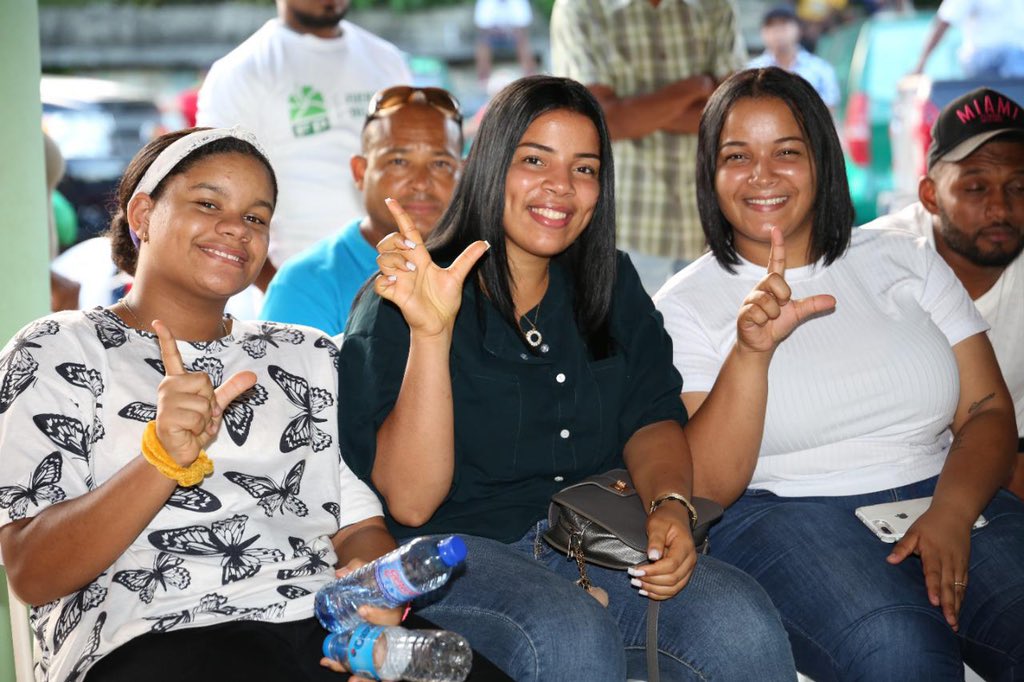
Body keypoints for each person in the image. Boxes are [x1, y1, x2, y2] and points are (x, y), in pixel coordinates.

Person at [338, 74, 807, 682]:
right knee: (571, 635)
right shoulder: (406, 296)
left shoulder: (608, 281)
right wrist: (432, 333)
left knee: (739, 622)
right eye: (535, 160)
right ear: (489, 165)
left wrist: (670, 506)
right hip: (456, 558)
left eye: (584, 169)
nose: (561, 186)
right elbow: (411, 501)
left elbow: (651, 416)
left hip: (593, 538)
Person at [0, 127, 505, 682]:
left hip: (321, 628)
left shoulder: (307, 354)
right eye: (208, 203)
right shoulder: (58, 349)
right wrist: (160, 461)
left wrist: (375, 595)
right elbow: (32, 574)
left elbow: (356, 527)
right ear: (143, 215)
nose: (236, 228)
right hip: (152, 634)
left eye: (256, 217)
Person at [654, 67, 1024, 680]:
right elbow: (708, 487)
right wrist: (751, 354)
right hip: (786, 511)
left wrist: (953, 511)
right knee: (903, 654)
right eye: (737, 156)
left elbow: (987, 409)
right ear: (709, 174)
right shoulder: (682, 305)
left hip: (948, 487)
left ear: (822, 160)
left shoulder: (907, 260)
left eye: (787, 152)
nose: (762, 175)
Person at [865, 87, 1024, 499]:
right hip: (884, 481)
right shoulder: (874, 264)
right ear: (930, 196)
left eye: (1018, 187)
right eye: (976, 188)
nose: (1000, 209)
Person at [197, 0, 412, 289]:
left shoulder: (387, 60)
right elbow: (218, 194)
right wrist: (281, 289)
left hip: (394, 277)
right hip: (296, 279)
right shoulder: (239, 71)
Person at [550, 0, 747, 294]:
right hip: (623, 231)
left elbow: (734, 115)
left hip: (709, 227)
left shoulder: (715, 5)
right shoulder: (581, 7)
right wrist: (696, 87)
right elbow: (598, 120)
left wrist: (631, 108)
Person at [260, 86, 463, 336]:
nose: (421, 182)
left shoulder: (489, 269)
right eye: (399, 162)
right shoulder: (304, 285)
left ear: (464, 174)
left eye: (440, 163)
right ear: (360, 172)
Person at [747, 5, 840, 111]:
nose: (777, 31)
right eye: (771, 26)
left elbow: (830, 108)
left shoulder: (820, 69)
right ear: (762, 33)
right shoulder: (751, 70)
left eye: (783, 24)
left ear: (799, 29)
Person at [913, 0, 1024, 78]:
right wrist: (921, 64)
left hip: (1017, 56)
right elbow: (943, 22)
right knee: (1014, 57)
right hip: (982, 57)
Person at [473, 0, 537, 85]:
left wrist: (510, 32)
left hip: (513, 35)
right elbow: (483, 28)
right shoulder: (486, 2)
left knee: (523, 41)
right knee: (483, 42)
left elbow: (522, 27)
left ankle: (530, 76)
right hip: (493, 36)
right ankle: (483, 79)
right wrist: (497, 32)